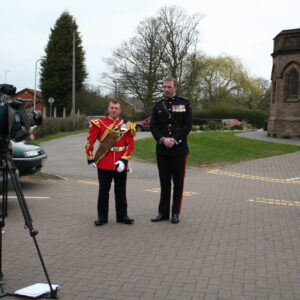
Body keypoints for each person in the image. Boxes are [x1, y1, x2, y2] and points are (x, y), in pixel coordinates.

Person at [85, 100, 136, 226]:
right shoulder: (99, 124)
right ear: (108, 109)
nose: (114, 110)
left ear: (120, 110)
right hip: (104, 162)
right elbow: (89, 142)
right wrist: (90, 157)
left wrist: (124, 160)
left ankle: (122, 216)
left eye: (116, 108)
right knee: (103, 191)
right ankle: (102, 217)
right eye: (112, 107)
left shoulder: (127, 125)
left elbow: (130, 144)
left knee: (121, 191)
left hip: (121, 162)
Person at [150, 77, 192, 224]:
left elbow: (187, 126)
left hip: (179, 150)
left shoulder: (184, 103)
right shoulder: (157, 106)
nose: (166, 89)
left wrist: (174, 140)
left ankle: (175, 212)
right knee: (164, 183)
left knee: (178, 183)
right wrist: (163, 140)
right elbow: (153, 127)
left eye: (169, 87)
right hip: (162, 151)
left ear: (175, 88)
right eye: (164, 87)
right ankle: (163, 213)